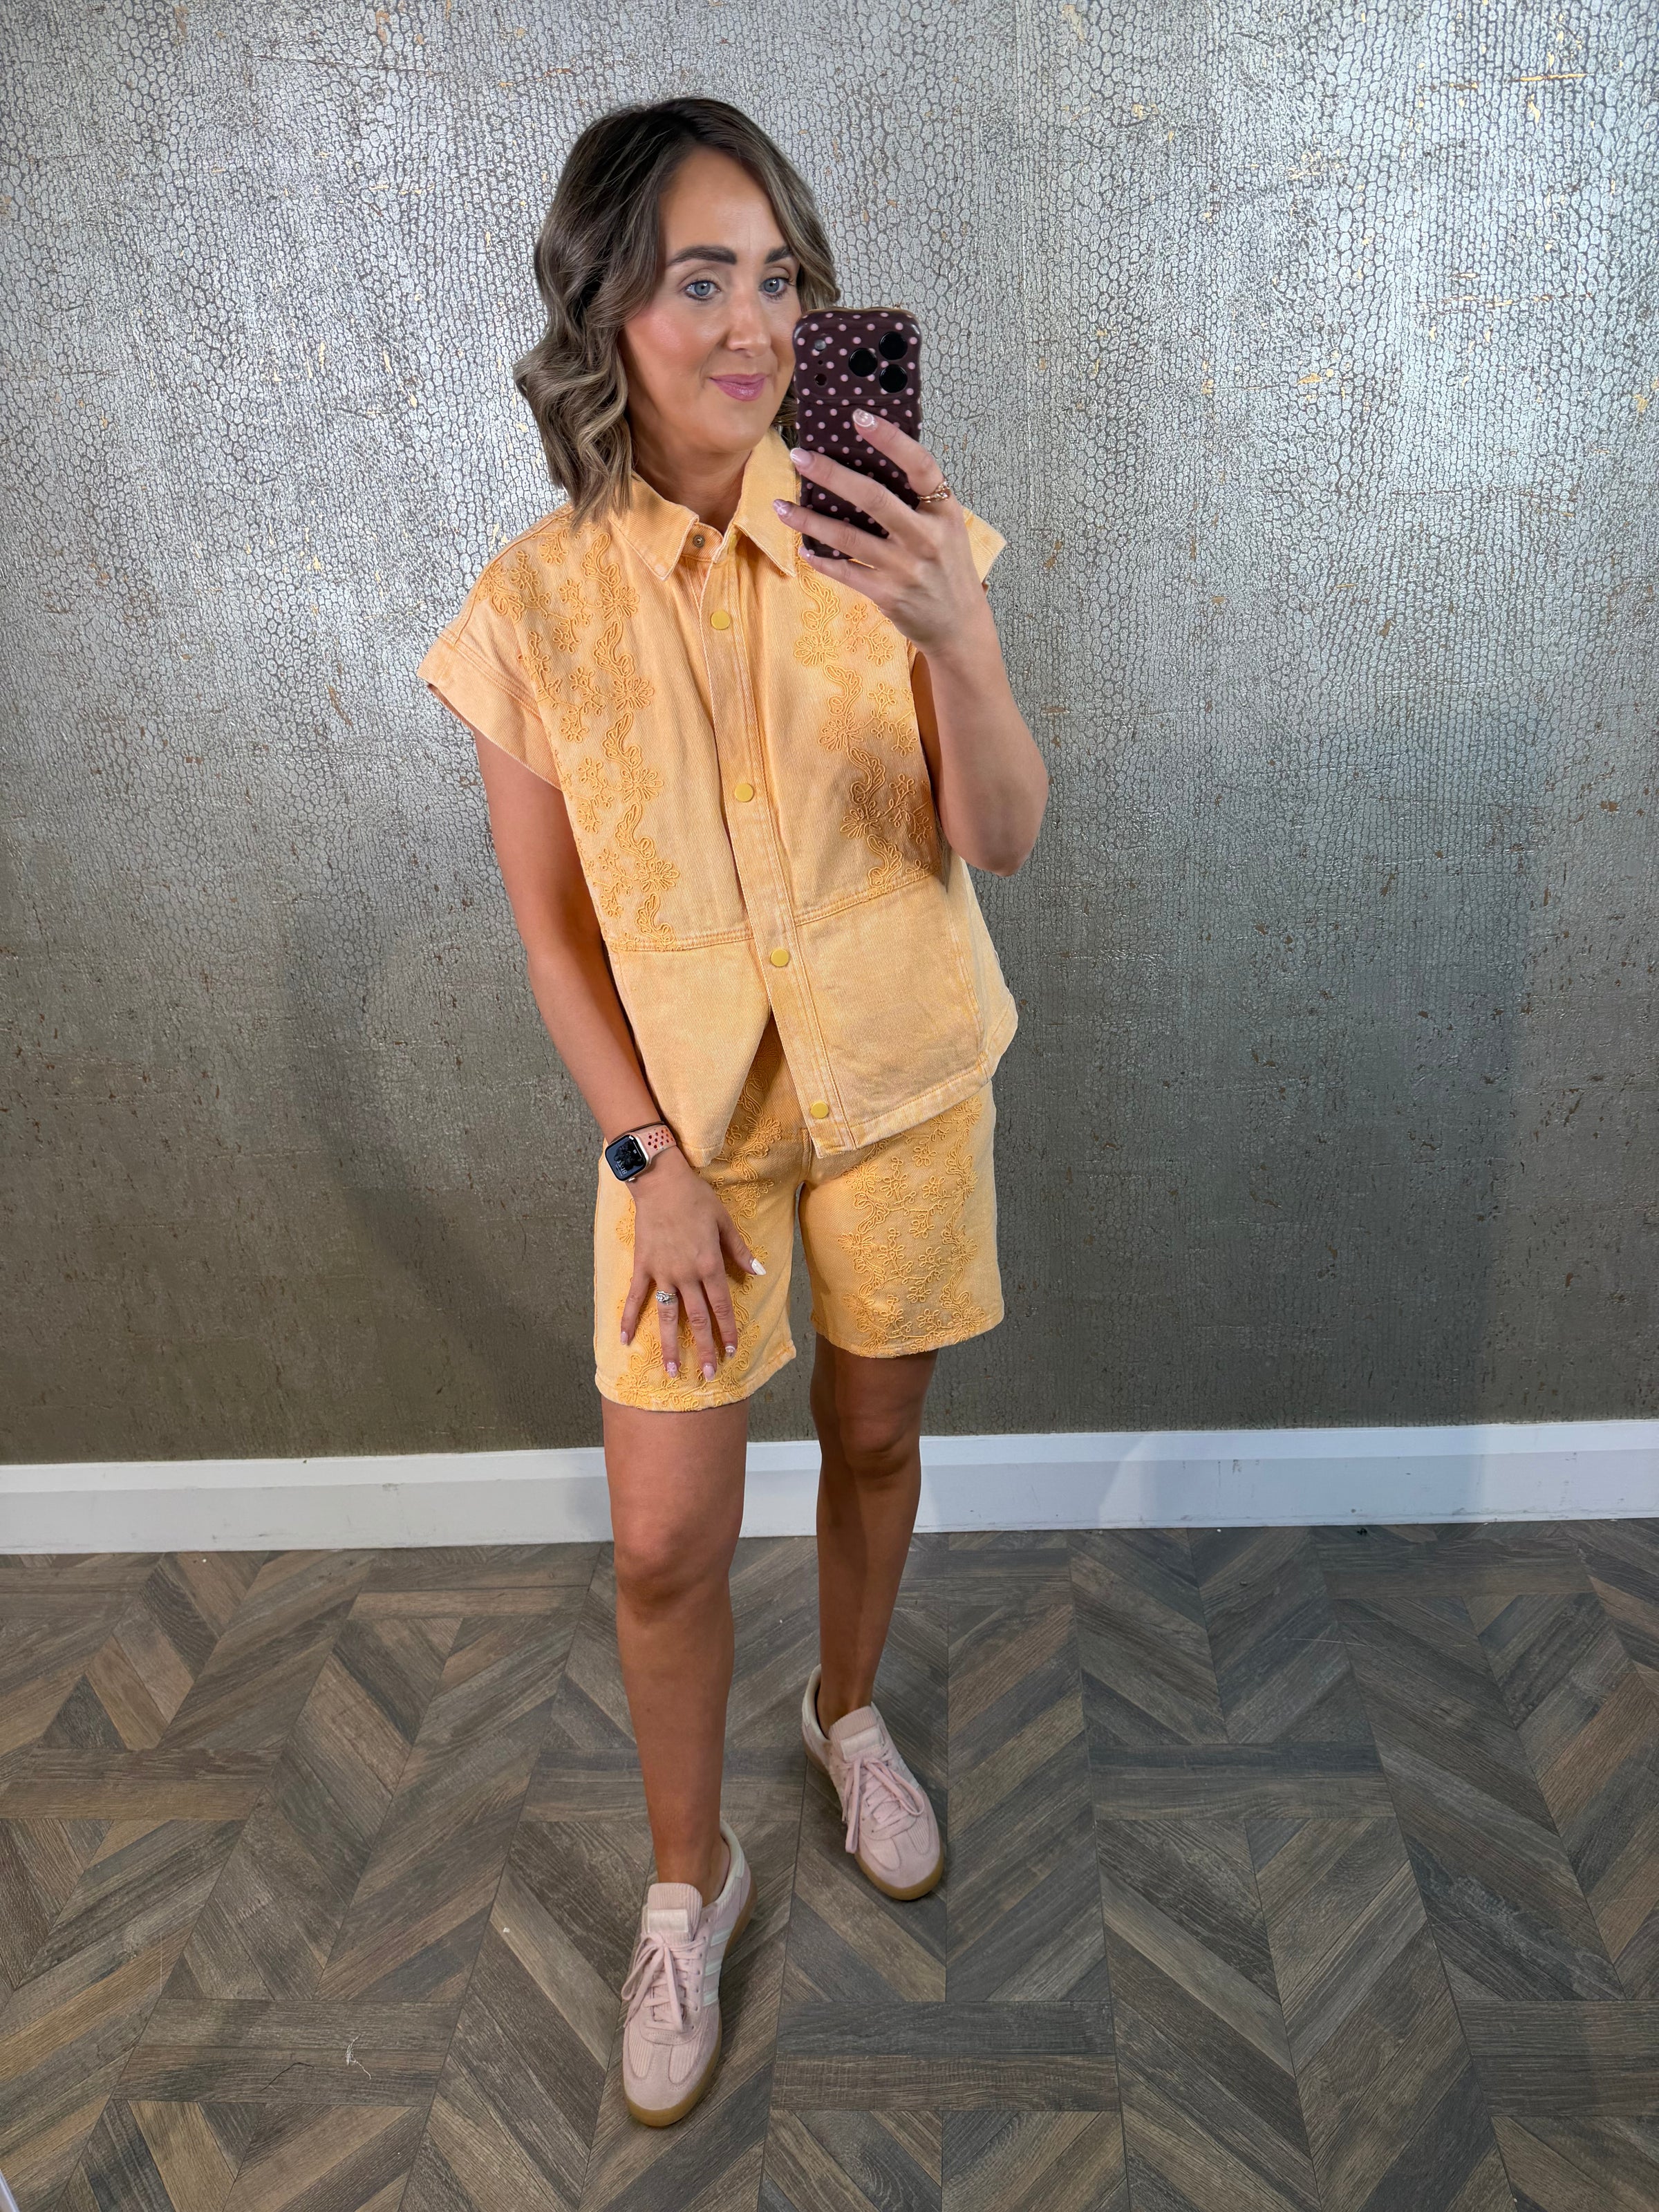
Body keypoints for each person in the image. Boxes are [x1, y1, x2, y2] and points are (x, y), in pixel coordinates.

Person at [418, 96, 1047, 2128]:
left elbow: (1002, 837)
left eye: (779, 276)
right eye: (702, 279)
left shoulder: (893, 533)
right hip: (682, 1138)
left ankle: (846, 1714)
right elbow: (553, 936)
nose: (756, 323)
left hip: (903, 1087)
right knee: (666, 1542)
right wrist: (648, 1163)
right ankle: (689, 1885)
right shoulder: (534, 608)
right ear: (607, 305)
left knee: (876, 1437)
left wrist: (955, 631)